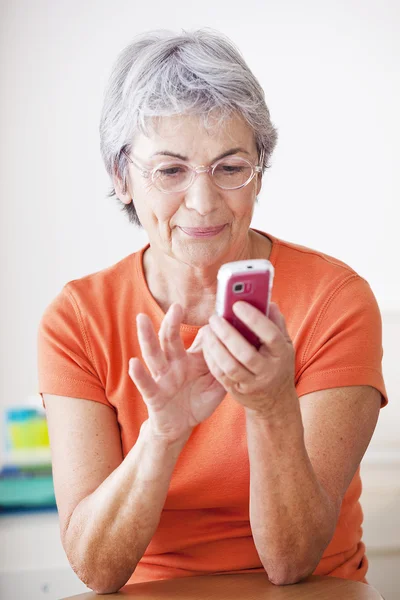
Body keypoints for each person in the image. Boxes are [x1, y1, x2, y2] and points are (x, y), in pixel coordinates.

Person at [37, 29, 388, 595]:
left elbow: (292, 563)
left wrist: (272, 407)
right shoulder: (77, 318)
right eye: (170, 171)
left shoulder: (335, 300)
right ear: (121, 178)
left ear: (259, 172)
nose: (203, 204)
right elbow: (97, 571)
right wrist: (163, 434)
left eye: (230, 168)